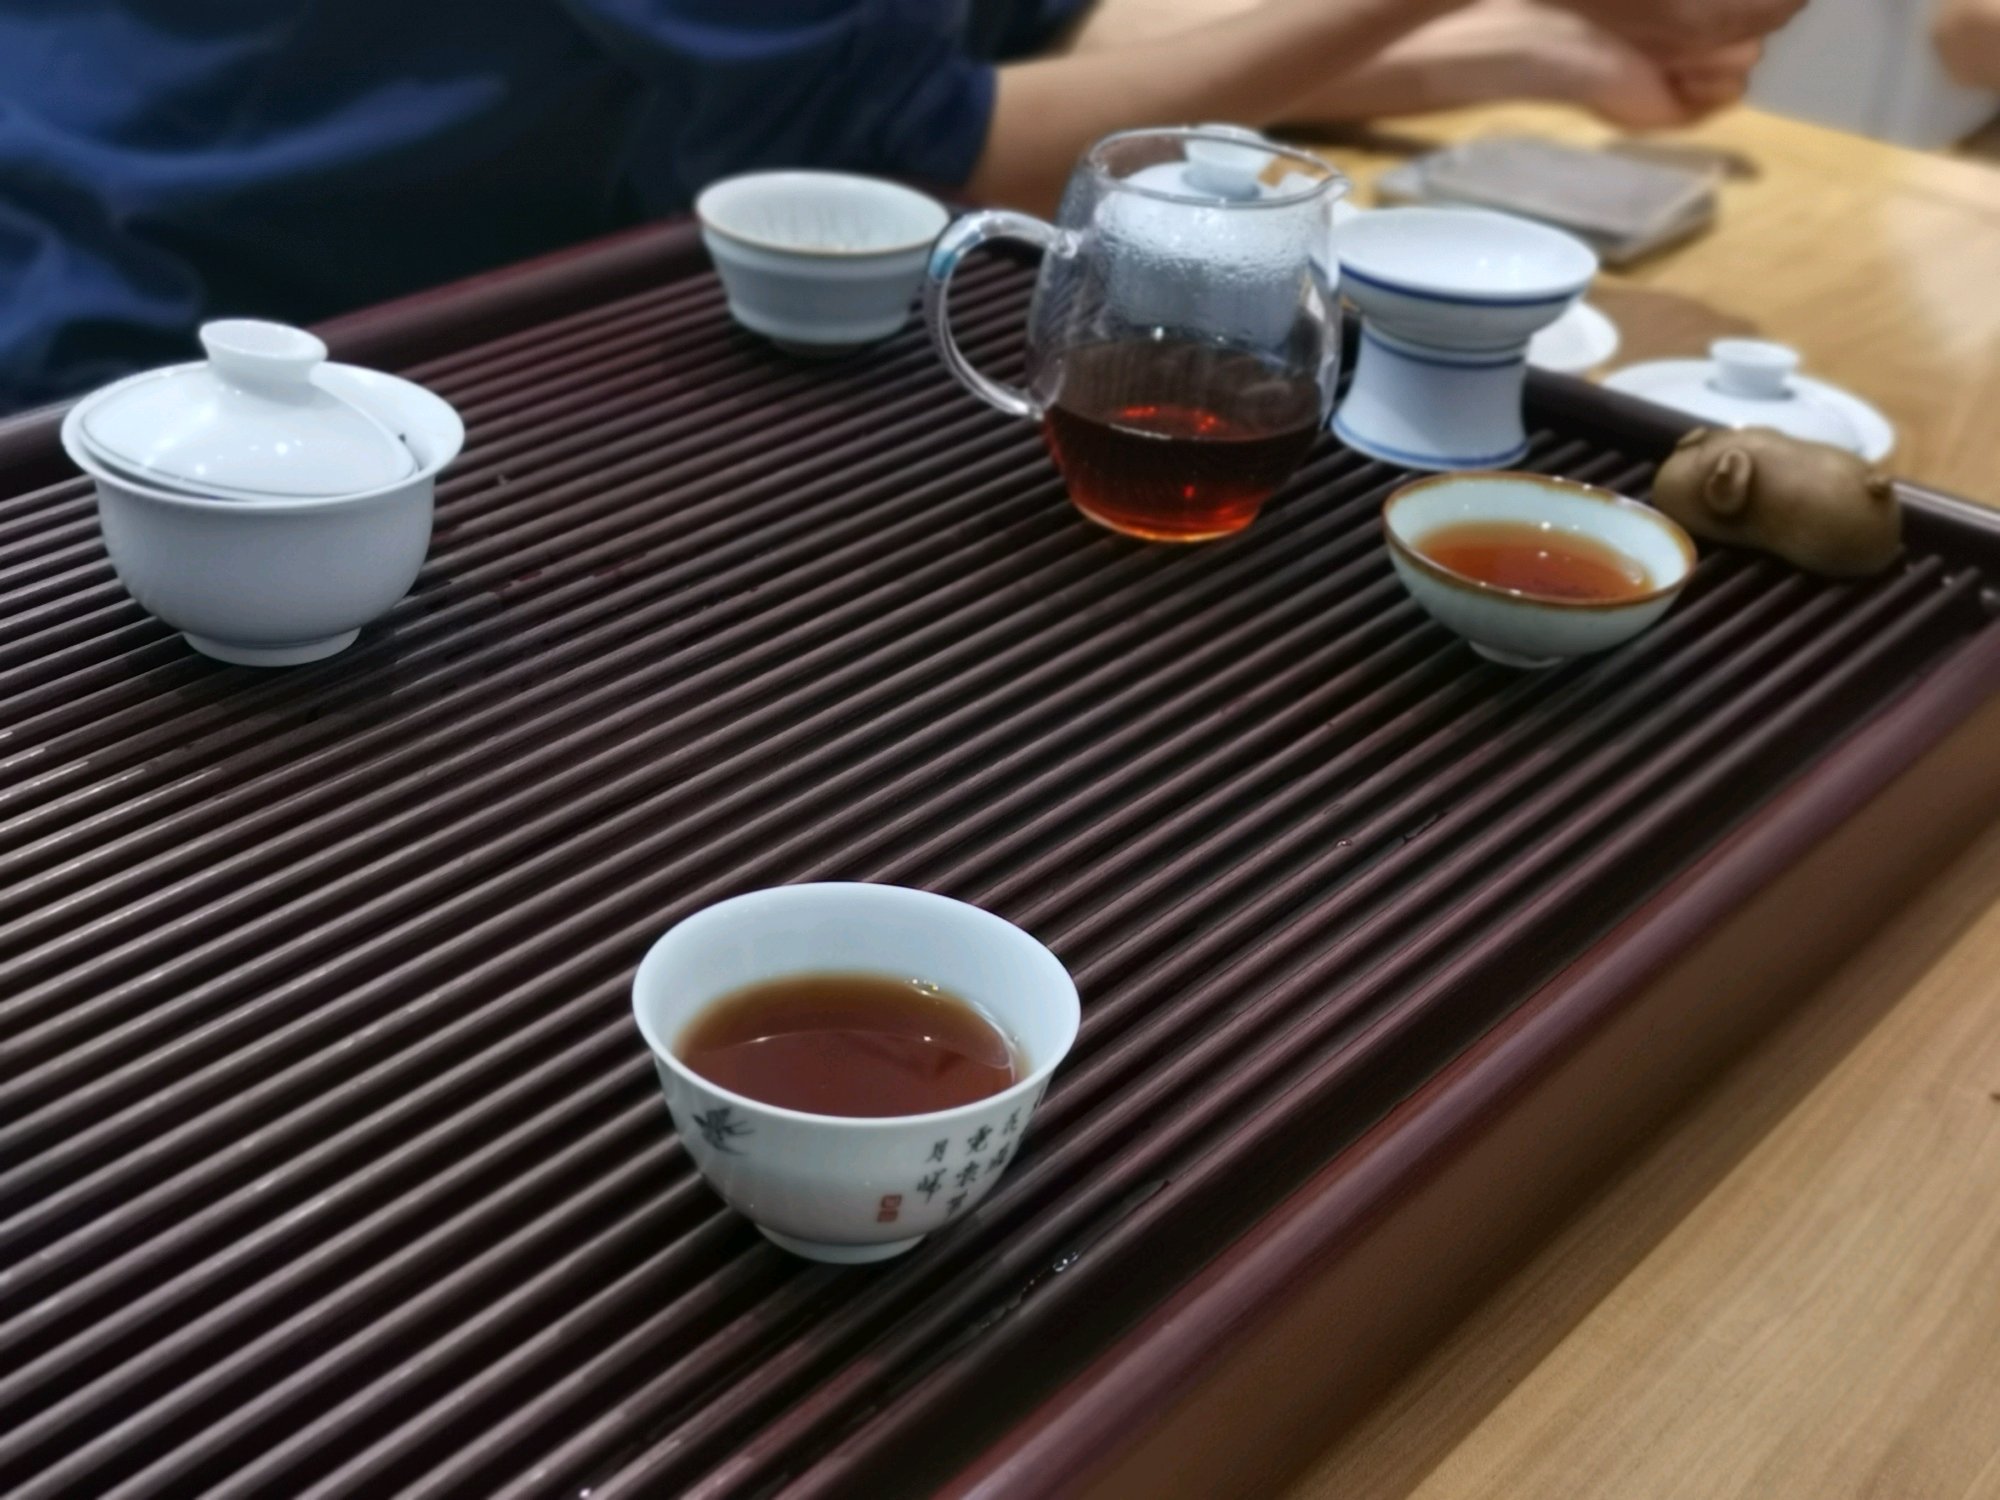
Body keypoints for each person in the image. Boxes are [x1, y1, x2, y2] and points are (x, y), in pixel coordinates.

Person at [0, 0, 1801, 413]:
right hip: (154, 363)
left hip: (461, 338)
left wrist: (1517, 53)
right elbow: (902, 153)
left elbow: (1040, 40)